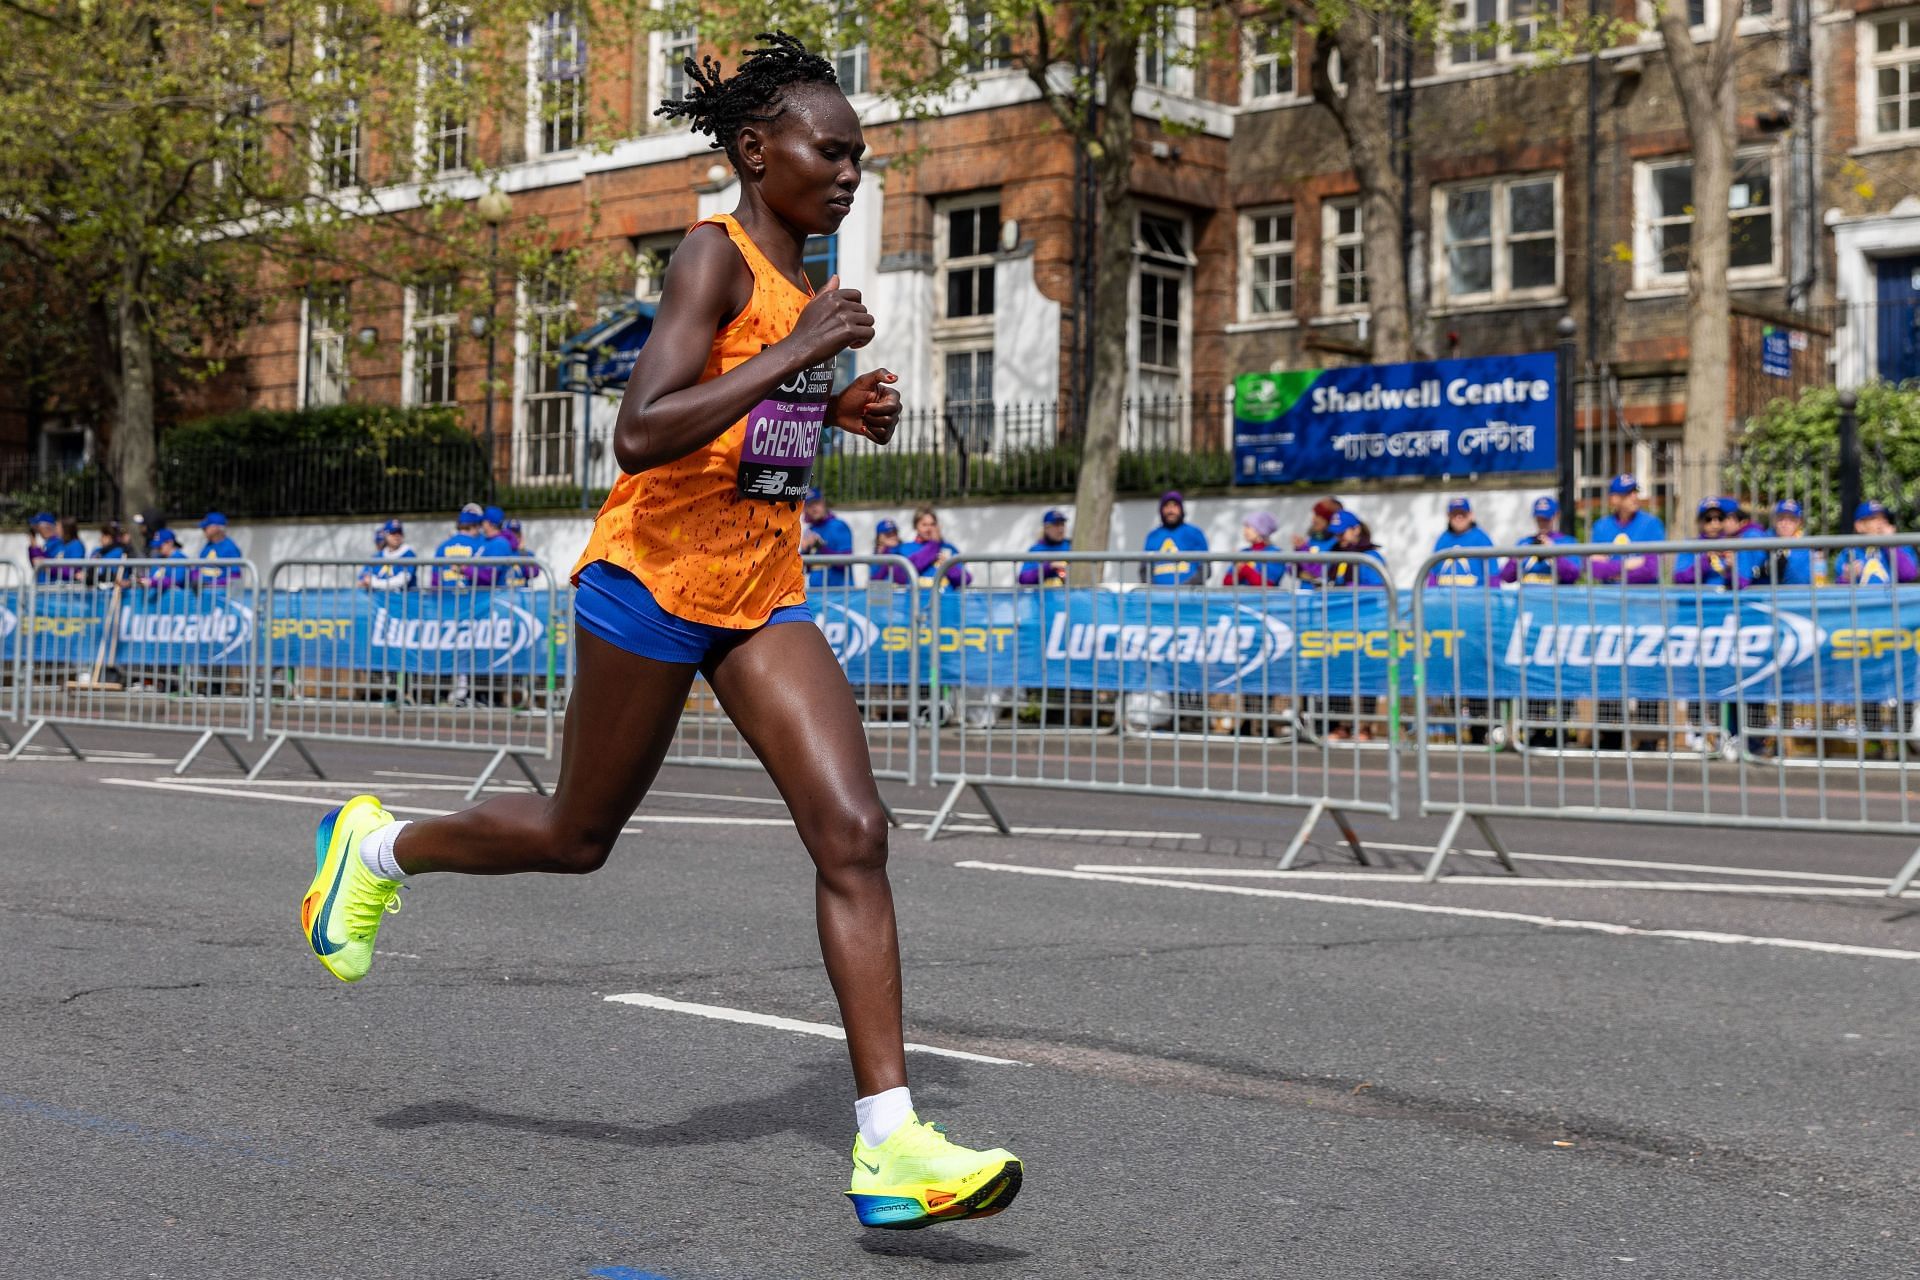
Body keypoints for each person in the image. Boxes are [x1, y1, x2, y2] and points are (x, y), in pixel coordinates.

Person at [296, 34, 1017, 1232]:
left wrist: (830, 404)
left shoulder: (802, 283)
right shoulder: (712, 257)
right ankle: (376, 851)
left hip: (760, 588)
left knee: (854, 828)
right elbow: (643, 431)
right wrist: (802, 355)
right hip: (650, 582)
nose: (847, 171)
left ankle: (893, 1144)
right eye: (826, 151)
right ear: (755, 151)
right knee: (578, 838)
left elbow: (749, 422)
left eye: (859, 155)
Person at [1589, 474, 1664, 584]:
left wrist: (1612, 570)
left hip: (1643, 597)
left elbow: (1651, 569)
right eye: (1628, 493)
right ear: (1614, 498)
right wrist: (1628, 564)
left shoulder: (1652, 523)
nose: (1634, 497)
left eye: (1635, 492)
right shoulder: (1601, 526)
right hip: (1611, 597)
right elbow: (1595, 569)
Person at [1499, 496, 1580, 586]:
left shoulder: (1568, 542)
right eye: (1539, 519)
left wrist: (1554, 553)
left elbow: (1573, 575)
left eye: (1546, 519)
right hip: (1528, 598)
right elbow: (1506, 577)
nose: (1542, 523)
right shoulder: (1524, 542)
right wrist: (1516, 560)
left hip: (1555, 598)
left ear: (1557, 516)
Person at [1836, 500, 1919, 585]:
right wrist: (1846, 578)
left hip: (1891, 598)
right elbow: (1841, 592)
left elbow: (1909, 575)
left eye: (1884, 518)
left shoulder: (1900, 548)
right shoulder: (1849, 553)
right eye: (1874, 518)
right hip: (1863, 598)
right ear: (1859, 526)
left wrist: (1889, 544)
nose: (1881, 522)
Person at [1673, 498, 1749, 589]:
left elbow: (1743, 584)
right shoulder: (1689, 546)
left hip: (1726, 602)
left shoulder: (1734, 545)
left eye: (1720, 518)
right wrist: (1705, 561)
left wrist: (1731, 569)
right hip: (1697, 602)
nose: (1714, 523)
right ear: (1700, 521)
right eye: (1708, 519)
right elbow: (1679, 579)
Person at [1426, 497, 1496, 588]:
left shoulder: (1482, 539)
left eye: (1463, 514)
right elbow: (1433, 576)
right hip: (1444, 600)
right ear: (1448, 516)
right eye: (1454, 514)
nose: (1458, 518)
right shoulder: (1442, 540)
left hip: (1475, 600)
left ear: (1471, 515)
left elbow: (1493, 576)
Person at [1143, 490, 1208, 585]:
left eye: (1175, 506)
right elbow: (1144, 570)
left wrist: (1183, 590)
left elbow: (1205, 569)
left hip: (1189, 597)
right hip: (1158, 597)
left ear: (1181, 509)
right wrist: (1156, 591)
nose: (1171, 510)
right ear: (1161, 510)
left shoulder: (1194, 533)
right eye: (1167, 506)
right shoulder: (1153, 536)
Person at [1747, 498, 1816, 587]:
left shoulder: (1806, 545)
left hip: (1800, 596)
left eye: (1791, 519)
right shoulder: (1762, 540)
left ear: (1799, 522)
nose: (1785, 524)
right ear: (1774, 520)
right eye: (1781, 518)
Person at [900, 505, 969, 589]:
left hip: (946, 601)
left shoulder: (949, 548)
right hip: (917, 600)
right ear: (915, 526)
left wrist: (949, 567)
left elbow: (966, 579)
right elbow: (907, 571)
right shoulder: (905, 548)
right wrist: (934, 544)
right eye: (924, 525)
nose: (929, 529)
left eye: (932, 524)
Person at [802, 487, 854, 588]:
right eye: (809, 505)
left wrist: (820, 546)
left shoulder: (838, 525)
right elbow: (804, 570)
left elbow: (846, 563)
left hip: (839, 594)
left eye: (816, 503)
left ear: (823, 503)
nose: (813, 508)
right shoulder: (810, 530)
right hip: (816, 595)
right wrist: (805, 552)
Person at [432, 504, 488, 588]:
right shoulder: (481, 544)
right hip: (473, 597)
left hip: (445, 597)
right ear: (476, 525)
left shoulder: (443, 546)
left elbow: (435, 578)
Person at [1225, 511, 1284, 586]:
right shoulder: (1243, 552)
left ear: (1261, 529)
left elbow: (1267, 584)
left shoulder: (1275, 553)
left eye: (1248, 526)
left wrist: (1243, 568)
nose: (1245, 530)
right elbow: (1227, 582)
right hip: (1242, 597)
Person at [359, 519, 418, 592]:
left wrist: (374, 583)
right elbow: (365, 578)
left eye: (399, 532)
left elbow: (402, 580)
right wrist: (369, 581)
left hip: (403, 600)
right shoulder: (379, 555)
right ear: (386, 535)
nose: (397, 535)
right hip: (380, 600)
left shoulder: (408, 554)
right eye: (393, 532)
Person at [1016, 509, 1071, 586]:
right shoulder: (1036, 550)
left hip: (1068, 596)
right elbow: (1024, 579)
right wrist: (1050, 567)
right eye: (1056, 525)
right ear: (1046, 528)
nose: (1061, 529)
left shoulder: (1071, 546)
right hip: (1043, 597)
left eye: (1062, 524)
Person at [195, 513, 242, 586]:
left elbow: (235, 576)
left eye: (205, 528)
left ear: (215, 528)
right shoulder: (207, 546)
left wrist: (212, 584)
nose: (203, 530)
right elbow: (197, 569)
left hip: (221, 594)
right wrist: (194, 579)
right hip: (204, 593)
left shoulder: (230, 548)